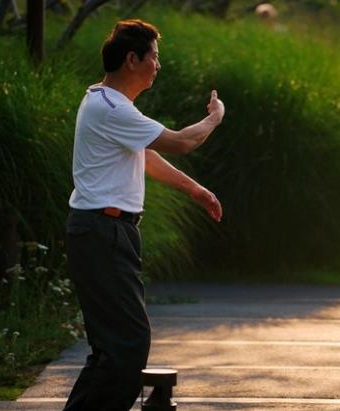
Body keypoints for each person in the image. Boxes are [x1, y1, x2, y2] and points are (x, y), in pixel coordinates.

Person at [64, 19, 224, 411]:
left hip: (106, 230)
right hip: (103, 231)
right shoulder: (110, 107)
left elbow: (146, 156)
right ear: (132, 59)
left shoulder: (110, 105)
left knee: (112, 349)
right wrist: (216, 115)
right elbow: (184, 142)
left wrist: (194, 189)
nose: (158, 64)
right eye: (154, 56)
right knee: (127, 346)